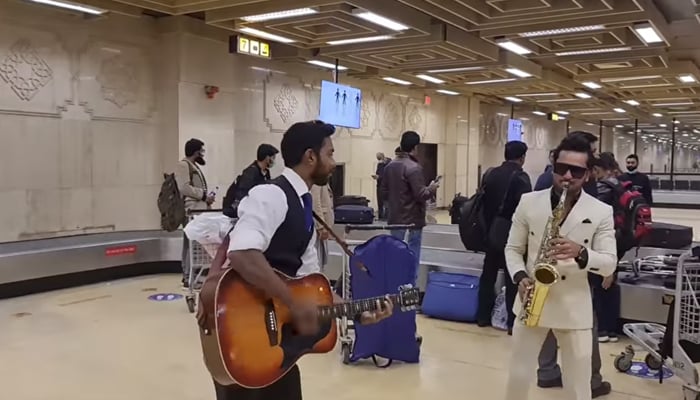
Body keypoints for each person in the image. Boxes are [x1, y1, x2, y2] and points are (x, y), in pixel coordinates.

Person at [209, 120, 393, 400]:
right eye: (329, 154)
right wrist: (293, 303)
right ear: (310, 157)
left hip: (276, 352)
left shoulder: (303, 206)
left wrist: (357, 312)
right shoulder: (271, 195)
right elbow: (242, 253)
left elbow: (310, 287)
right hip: (246, 336)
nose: (333, 162)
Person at [503, 134, 617, 400]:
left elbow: (610, 262)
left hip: (574, 308)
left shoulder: (601, 211)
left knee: (579, 384)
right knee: (518, 376)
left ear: (588, 174)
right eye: (561, 168)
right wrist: (519, 276)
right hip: (531, 301)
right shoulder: (528, 202)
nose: (567, 176)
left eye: (576, 171)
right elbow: (513, 249)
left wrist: (582, 253)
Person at [536, 130, 612, 399]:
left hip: (546, 265)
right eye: (593, 148)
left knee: (545, 319)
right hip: (574, 265)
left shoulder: (546, 178)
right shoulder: (582, 180)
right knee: (584, 325)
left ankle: (546, 372)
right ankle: (591, 379)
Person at [476, 141, 532, 331]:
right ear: (522, 157)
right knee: (513, 277)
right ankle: (512, 322)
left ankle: (482, 317)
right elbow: (526, 210)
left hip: (491, 232)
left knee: (488, 276)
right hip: (512, 234)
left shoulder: (491, 173)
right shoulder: (522, 177)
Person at [380, 131, 439, 281]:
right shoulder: (414, 168)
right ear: (415, 147)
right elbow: (421, 194)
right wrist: (432, 188)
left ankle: (394, 286)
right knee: (412, 258)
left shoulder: (389, 166)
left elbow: (384, 192)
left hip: (394, 219)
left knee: (395, 254)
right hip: (412, 221)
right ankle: (409, 291)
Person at [591, 152, 624, 343]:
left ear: (597, 169)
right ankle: (612, 329)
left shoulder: (603, 187)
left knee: (600, 283)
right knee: (611, 285)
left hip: (604, 241)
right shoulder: (620, 183)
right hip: (619, 241)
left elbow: (597, 220)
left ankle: (602, 329)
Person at [175, 138, 214, 287]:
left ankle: (190, 276)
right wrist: (203, 195)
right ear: (195, 151)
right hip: (191, 211)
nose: (202, 154)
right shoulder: (183, 165)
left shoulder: (193, 166)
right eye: (201, 151)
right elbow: (183, 187)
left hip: (198, 211)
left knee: (192, 244)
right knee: (191, 244)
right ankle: (188, 277)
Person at [222, 144, 278, 218]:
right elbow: (242, 194)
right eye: (273, 157)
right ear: (267, 158)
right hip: (236, 211)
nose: (274, 160)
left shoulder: (266, 173)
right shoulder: (251, 172)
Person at [311, 183, 334, 270]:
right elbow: (315, 202)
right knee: (318, 259)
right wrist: (321, 226)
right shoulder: (317, 181)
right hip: (319, 226)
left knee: (322, 258)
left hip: (324, 225)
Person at [371, 152, 391, 220]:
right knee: (380, 202)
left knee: (386, 203)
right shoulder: (379, 164)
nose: (379, 160)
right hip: (379, 185)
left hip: (386, 186)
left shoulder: (389, 164)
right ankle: (381, 216)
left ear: (383, 157)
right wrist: (376, 176)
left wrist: (379, 177)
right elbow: (378, 172)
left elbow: (388, 176)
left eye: (379, 158)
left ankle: (386, 217)